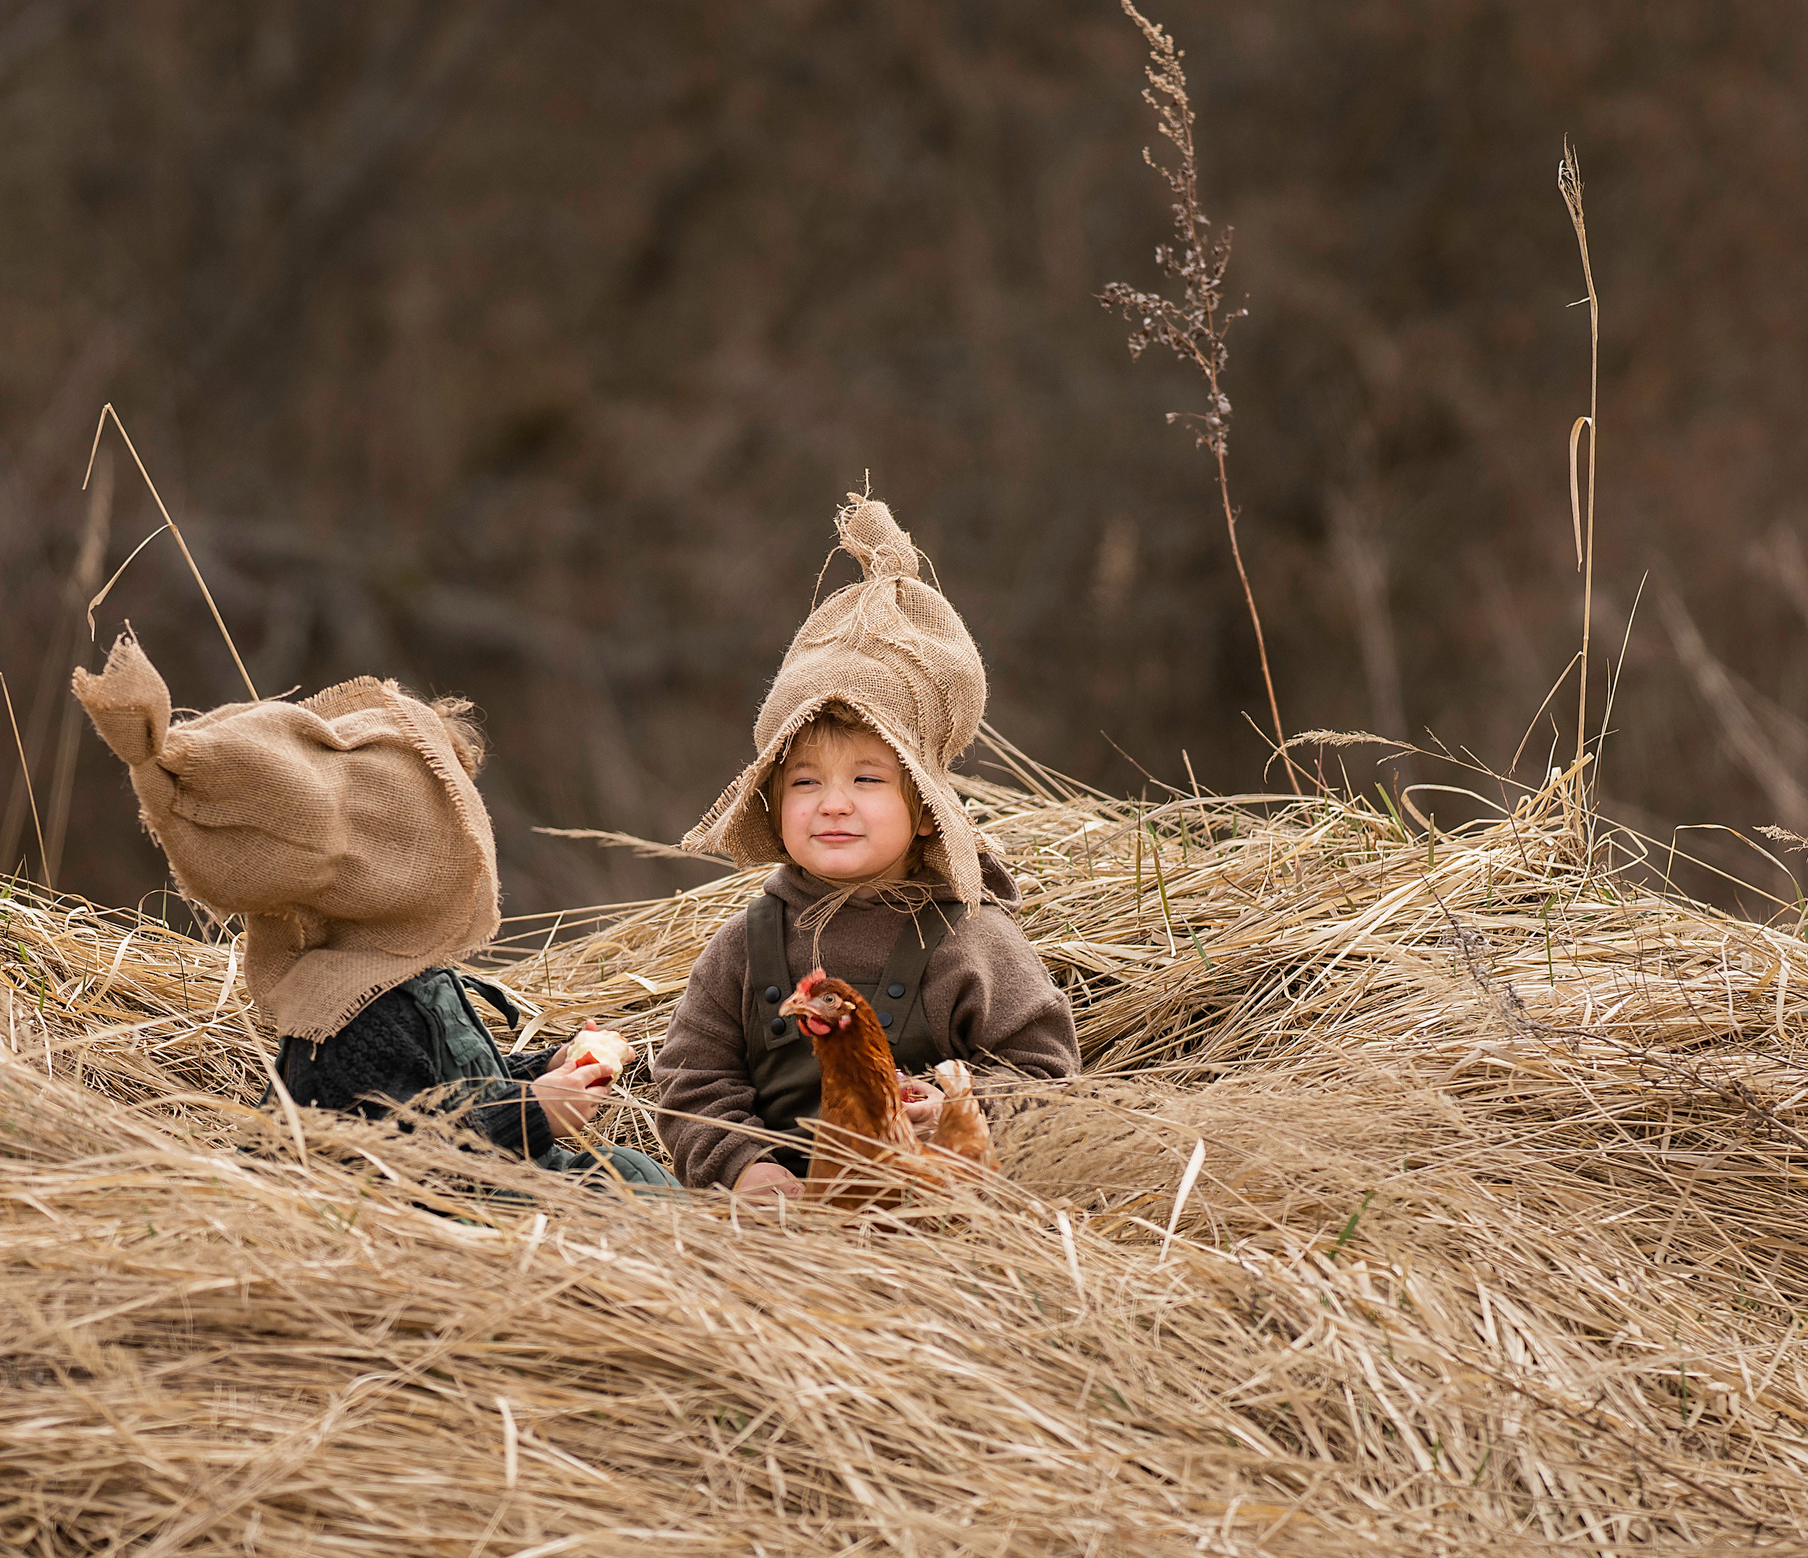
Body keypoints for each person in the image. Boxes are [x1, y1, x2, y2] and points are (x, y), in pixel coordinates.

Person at [73, 634, 673, 1190]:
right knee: (627, 1187)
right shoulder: (349, 1015)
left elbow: (452, 1089)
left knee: (629, 1172)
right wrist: (533, 1112)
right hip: (463, 1217)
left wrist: (549, 1070)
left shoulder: (400, 979)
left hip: (507, 1187)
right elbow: (400, 1153)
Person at [654, 495, 1081, 1198]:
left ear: (926, 811)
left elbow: (1048, 1079)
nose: (833, 803)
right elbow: (690, 1080)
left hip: (933, 1223)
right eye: (805, 781)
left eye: (867, 779)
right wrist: (742, 1167)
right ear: (774, 805)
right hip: (778, 1228)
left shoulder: (973, 942)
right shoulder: (745, 945)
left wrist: (955, 1111)